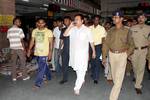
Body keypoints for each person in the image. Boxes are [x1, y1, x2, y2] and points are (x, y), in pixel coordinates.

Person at [102, 10, 135, 100]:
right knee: (115, 75)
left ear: (121, 18)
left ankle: (113, 97)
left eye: (116, 17)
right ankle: (118, 86)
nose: (114, 19)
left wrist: (126, 54)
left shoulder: (127, 31)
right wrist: (104, 56)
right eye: (113, 17)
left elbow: (132, 45)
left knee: (119, 76)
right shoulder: (111, 30)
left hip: (122, 55)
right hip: (112, 55)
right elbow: (106, 44)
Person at [64, 14, 96, 95]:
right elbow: (65, 34)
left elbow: (91, 41)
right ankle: (81, 79)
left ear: (82, 21)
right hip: (74, 54)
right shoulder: (72, 29)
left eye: (77, 19)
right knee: (77, 69)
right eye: (75, 19)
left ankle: (77, 87)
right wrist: (70, 26)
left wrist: (94, 52)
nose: (75, 21)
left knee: (81, 69)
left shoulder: (87, 30)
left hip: (83, 54)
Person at [27, 18, 53, 89]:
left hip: (44, 52)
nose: (40, 24)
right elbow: (32, 41)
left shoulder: (49, 31)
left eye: (42, 23)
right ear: (37, 23)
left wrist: (50, 52)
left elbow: (51, 43)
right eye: (39, 23)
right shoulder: (34, 31)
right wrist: (29, 49)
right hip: (37, 52)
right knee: (44, 65)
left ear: (44, 23)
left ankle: (38, 83)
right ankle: (49, 76)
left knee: (41, 68)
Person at [130, 12, 150, 94]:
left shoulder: (149, 28)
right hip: (134, 51)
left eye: (142, 17)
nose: (140, 19)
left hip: (144, 50)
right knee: (135, 67)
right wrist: (129, 52)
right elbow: (129, 41)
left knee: (141, 68)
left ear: (145, 19)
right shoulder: (132, 28)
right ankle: (135, 76)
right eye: (139, 18)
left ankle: (138, 86)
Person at [7, 17, 30, 81]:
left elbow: (9, 39)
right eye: (18, 21)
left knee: (13, 63)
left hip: (12, 48)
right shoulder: (20, 30)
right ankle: (24, 77)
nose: (20, 23)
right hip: (19, 48)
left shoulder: (9, 30)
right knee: (23, 62)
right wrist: (24, 49)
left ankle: (14, 77)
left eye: (20, 22)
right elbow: (22, 40)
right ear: (14, 22)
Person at [89, 15, 107, 84]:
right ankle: (93, 73)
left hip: (98, 46)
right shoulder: (90, 28)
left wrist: (102, 48)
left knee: (97, 61)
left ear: (99, 21)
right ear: (93, 20)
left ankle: (96, 77)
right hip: (90, 46)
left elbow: (103, 39)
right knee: (92, 61)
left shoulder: (102, 28)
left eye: (97, 20)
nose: (96, 21)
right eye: (95, 19)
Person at [59, 16, 72, 84]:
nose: (65, 22)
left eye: (67, 20)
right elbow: (61, 40)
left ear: (70, 21)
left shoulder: (75, 29)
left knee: (77, 64)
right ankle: (65, 78)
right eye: (64, 21)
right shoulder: (63, 29)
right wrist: (59, 49)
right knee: (64, 64)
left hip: (74, 50)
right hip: (65, 49)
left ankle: (80, 78)